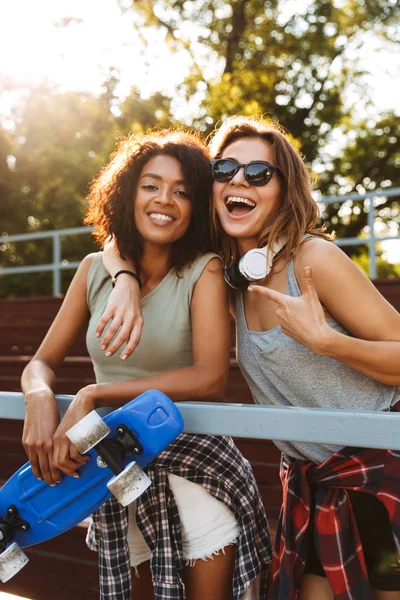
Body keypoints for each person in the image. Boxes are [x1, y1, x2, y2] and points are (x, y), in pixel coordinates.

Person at [100, 116, 400, 600]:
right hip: (314, 481)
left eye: (259, 173)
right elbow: (121, 241)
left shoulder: (313, 261)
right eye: (226, 169)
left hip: (379, 471)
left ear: (285, 191)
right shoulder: (228, 279)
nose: (240, 180)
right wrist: (124, 279)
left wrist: (327, 342)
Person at [21, 129, 272, 600]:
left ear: (197, 204)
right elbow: (41, 361)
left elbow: (211, 377)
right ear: (128, 192)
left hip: (195, 474)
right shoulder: (95, 270)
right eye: (151, 185)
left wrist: (93, 395)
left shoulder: (206, 269)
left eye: (181, 191)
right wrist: (38, 396)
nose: (165, 200)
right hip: (115, 473)